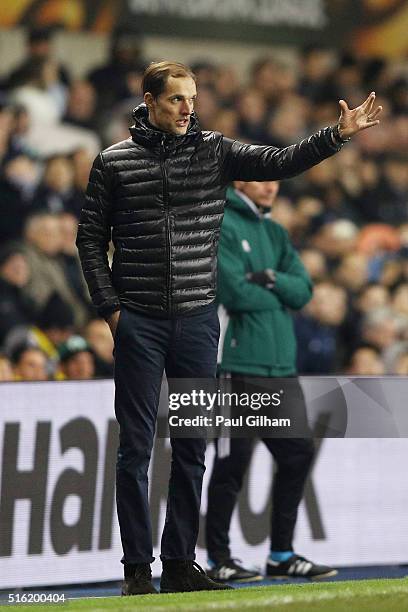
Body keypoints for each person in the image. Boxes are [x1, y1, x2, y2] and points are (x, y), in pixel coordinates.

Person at [76, 60, 382, 596]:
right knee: (137, 448)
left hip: (196, 323)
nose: (188, 108)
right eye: (176, 99)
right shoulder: (113, 163)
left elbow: (281, 161)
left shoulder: (214, 150)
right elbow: (89, 240)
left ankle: (178, 565)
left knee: (194, 445)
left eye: (193, 98)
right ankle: (135, 571)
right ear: (149, 101)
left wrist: (335, 136)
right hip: (140, 324)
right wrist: (112, 311)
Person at [205, 180, 337, 582]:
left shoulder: (276, 231)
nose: (271, 187)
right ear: (240, 179)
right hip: (237, 365)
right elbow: (234, 293)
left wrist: (271, 281)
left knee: (297, 454)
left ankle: (281, 552)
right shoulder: (222, 224)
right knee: (232, 463)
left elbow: (303, 291)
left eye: (275, 180)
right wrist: (277, 290)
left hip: (279, 368)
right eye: (262, 178)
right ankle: (218, 559)